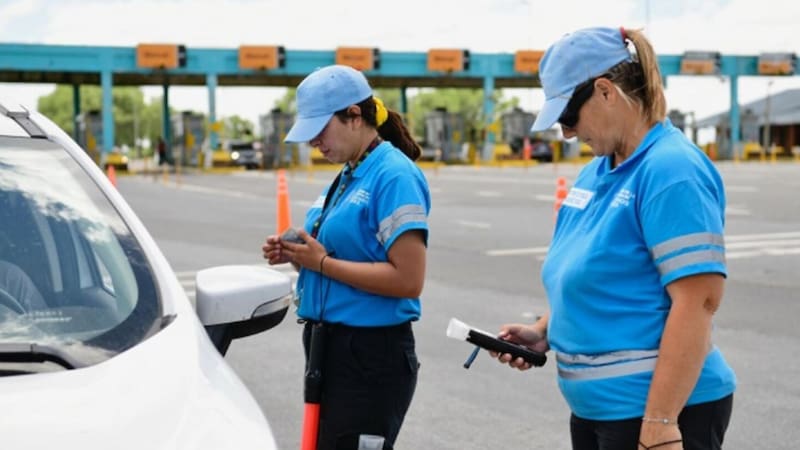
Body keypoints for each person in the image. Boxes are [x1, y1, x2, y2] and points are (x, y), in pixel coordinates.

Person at [491, 27, 736, 450]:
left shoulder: (670, 168)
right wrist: (546, 330)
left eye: (568, 116)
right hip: (599, 412)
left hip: (652, 413)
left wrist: (660, 422)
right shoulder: (597, 171)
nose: (566, 133)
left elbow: (699, 301)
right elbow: (604, 277)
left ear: (605, 92)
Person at [261, 65, 430, 450]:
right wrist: (297, 254)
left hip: (371, 355)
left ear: (354, 116)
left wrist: (321, 263)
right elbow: (337, 254)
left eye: (320, 130)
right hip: (330, 348)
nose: (315, 143)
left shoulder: (393, 175)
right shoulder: (350, 172)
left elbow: (408, 280)